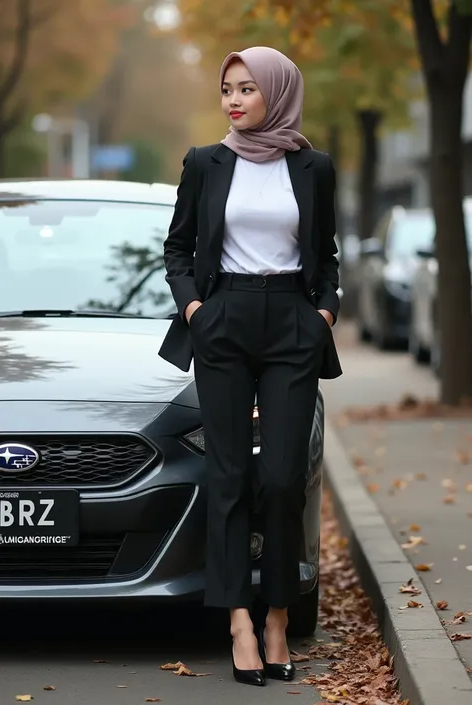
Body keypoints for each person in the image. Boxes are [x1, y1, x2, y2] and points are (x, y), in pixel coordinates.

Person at [158, 45, 342, 687]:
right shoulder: (206, 164)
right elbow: (178, 248)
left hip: (292, 320)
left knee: (285, 478)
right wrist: (195, 311)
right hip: (224, 320)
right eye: (227, 90)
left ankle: (277, 619)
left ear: (277, 92)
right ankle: (239, 619)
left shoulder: (313, 166)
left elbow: (327, 255)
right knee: (231, 475)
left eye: (247, 89)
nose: (234, 100)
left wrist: (323, 312)